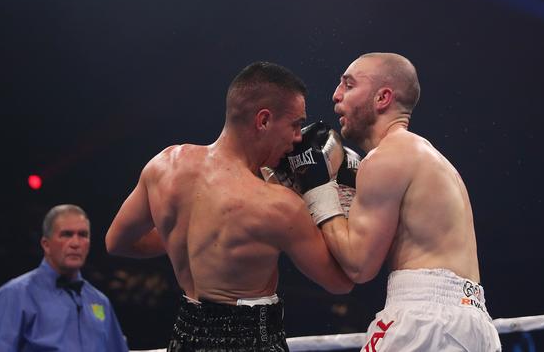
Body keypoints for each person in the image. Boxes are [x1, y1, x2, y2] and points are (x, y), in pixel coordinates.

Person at [105, 61, 353, 351]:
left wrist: (185, 234)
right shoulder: (278, 206)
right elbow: (340, 283)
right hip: (251, 342)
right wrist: (324, 195)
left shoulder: (165, 165)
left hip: (184, 338)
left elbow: (117, 242)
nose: (298, 138)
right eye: (295, 124)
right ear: (263, 120)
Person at [285, 53, 501, 351]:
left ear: (383, 97)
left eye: (348, 85)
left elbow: (359, 266)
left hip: (425, 321)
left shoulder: (387, 158)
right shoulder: (429, 157)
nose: (336, 95)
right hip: (473, 322)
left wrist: (316, 188)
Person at [0, 204, 129, 352]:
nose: (75, 243)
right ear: (46, 245)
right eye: (66, 234)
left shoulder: (100, 301)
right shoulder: (13, 296)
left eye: (83, 235)